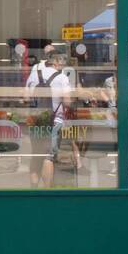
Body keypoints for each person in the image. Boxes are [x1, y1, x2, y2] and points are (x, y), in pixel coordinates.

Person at [25, 50, 79, 187]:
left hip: (35, 120)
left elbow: (26, 98)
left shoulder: (33, 75)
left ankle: (33, 190)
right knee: (48, 156)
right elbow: (67, 102)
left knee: (36, 155)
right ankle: (47, 192)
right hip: (54, 121)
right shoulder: (62, 78)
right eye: (61, 60)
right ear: (55, 61)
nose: (63, 63)